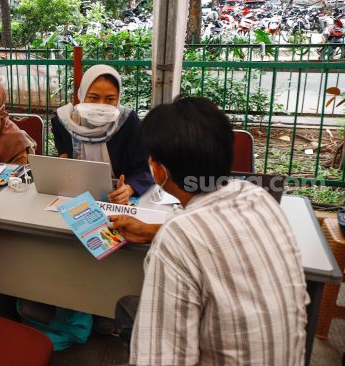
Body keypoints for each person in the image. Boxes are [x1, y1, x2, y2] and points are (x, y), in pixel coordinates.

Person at [109, 97, 308, 365]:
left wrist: (163, 234)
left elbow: (161, 359)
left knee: (129, 309)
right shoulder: (257, 197)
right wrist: (153, 231)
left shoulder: (178, 238)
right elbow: (213, 231)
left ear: (158, 170)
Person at [51, 64, 152, 205]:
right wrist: (62, 163)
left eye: (110, 99)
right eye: (93, 97)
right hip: (75, 196)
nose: (101, 105)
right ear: (82, 94)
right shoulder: (64, 121)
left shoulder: (128, 122)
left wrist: (129, 189)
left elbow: (145, 170)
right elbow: (63, 157)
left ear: (118, 99)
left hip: (116, 199)